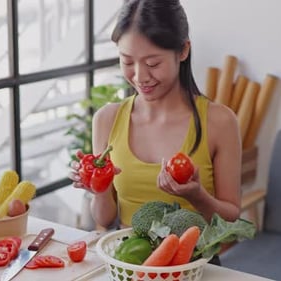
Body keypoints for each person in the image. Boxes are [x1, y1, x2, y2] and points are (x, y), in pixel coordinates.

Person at [70, 0, 241, 231]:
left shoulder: (219, 121)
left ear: (183, 51)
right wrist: (99, 191)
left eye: (153, 63)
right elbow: (104, 219)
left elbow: (231, 221)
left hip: (195, 262)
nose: (140, 76)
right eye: (127, 61)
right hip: (128, 261)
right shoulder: (107, 119)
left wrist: (198, 196)